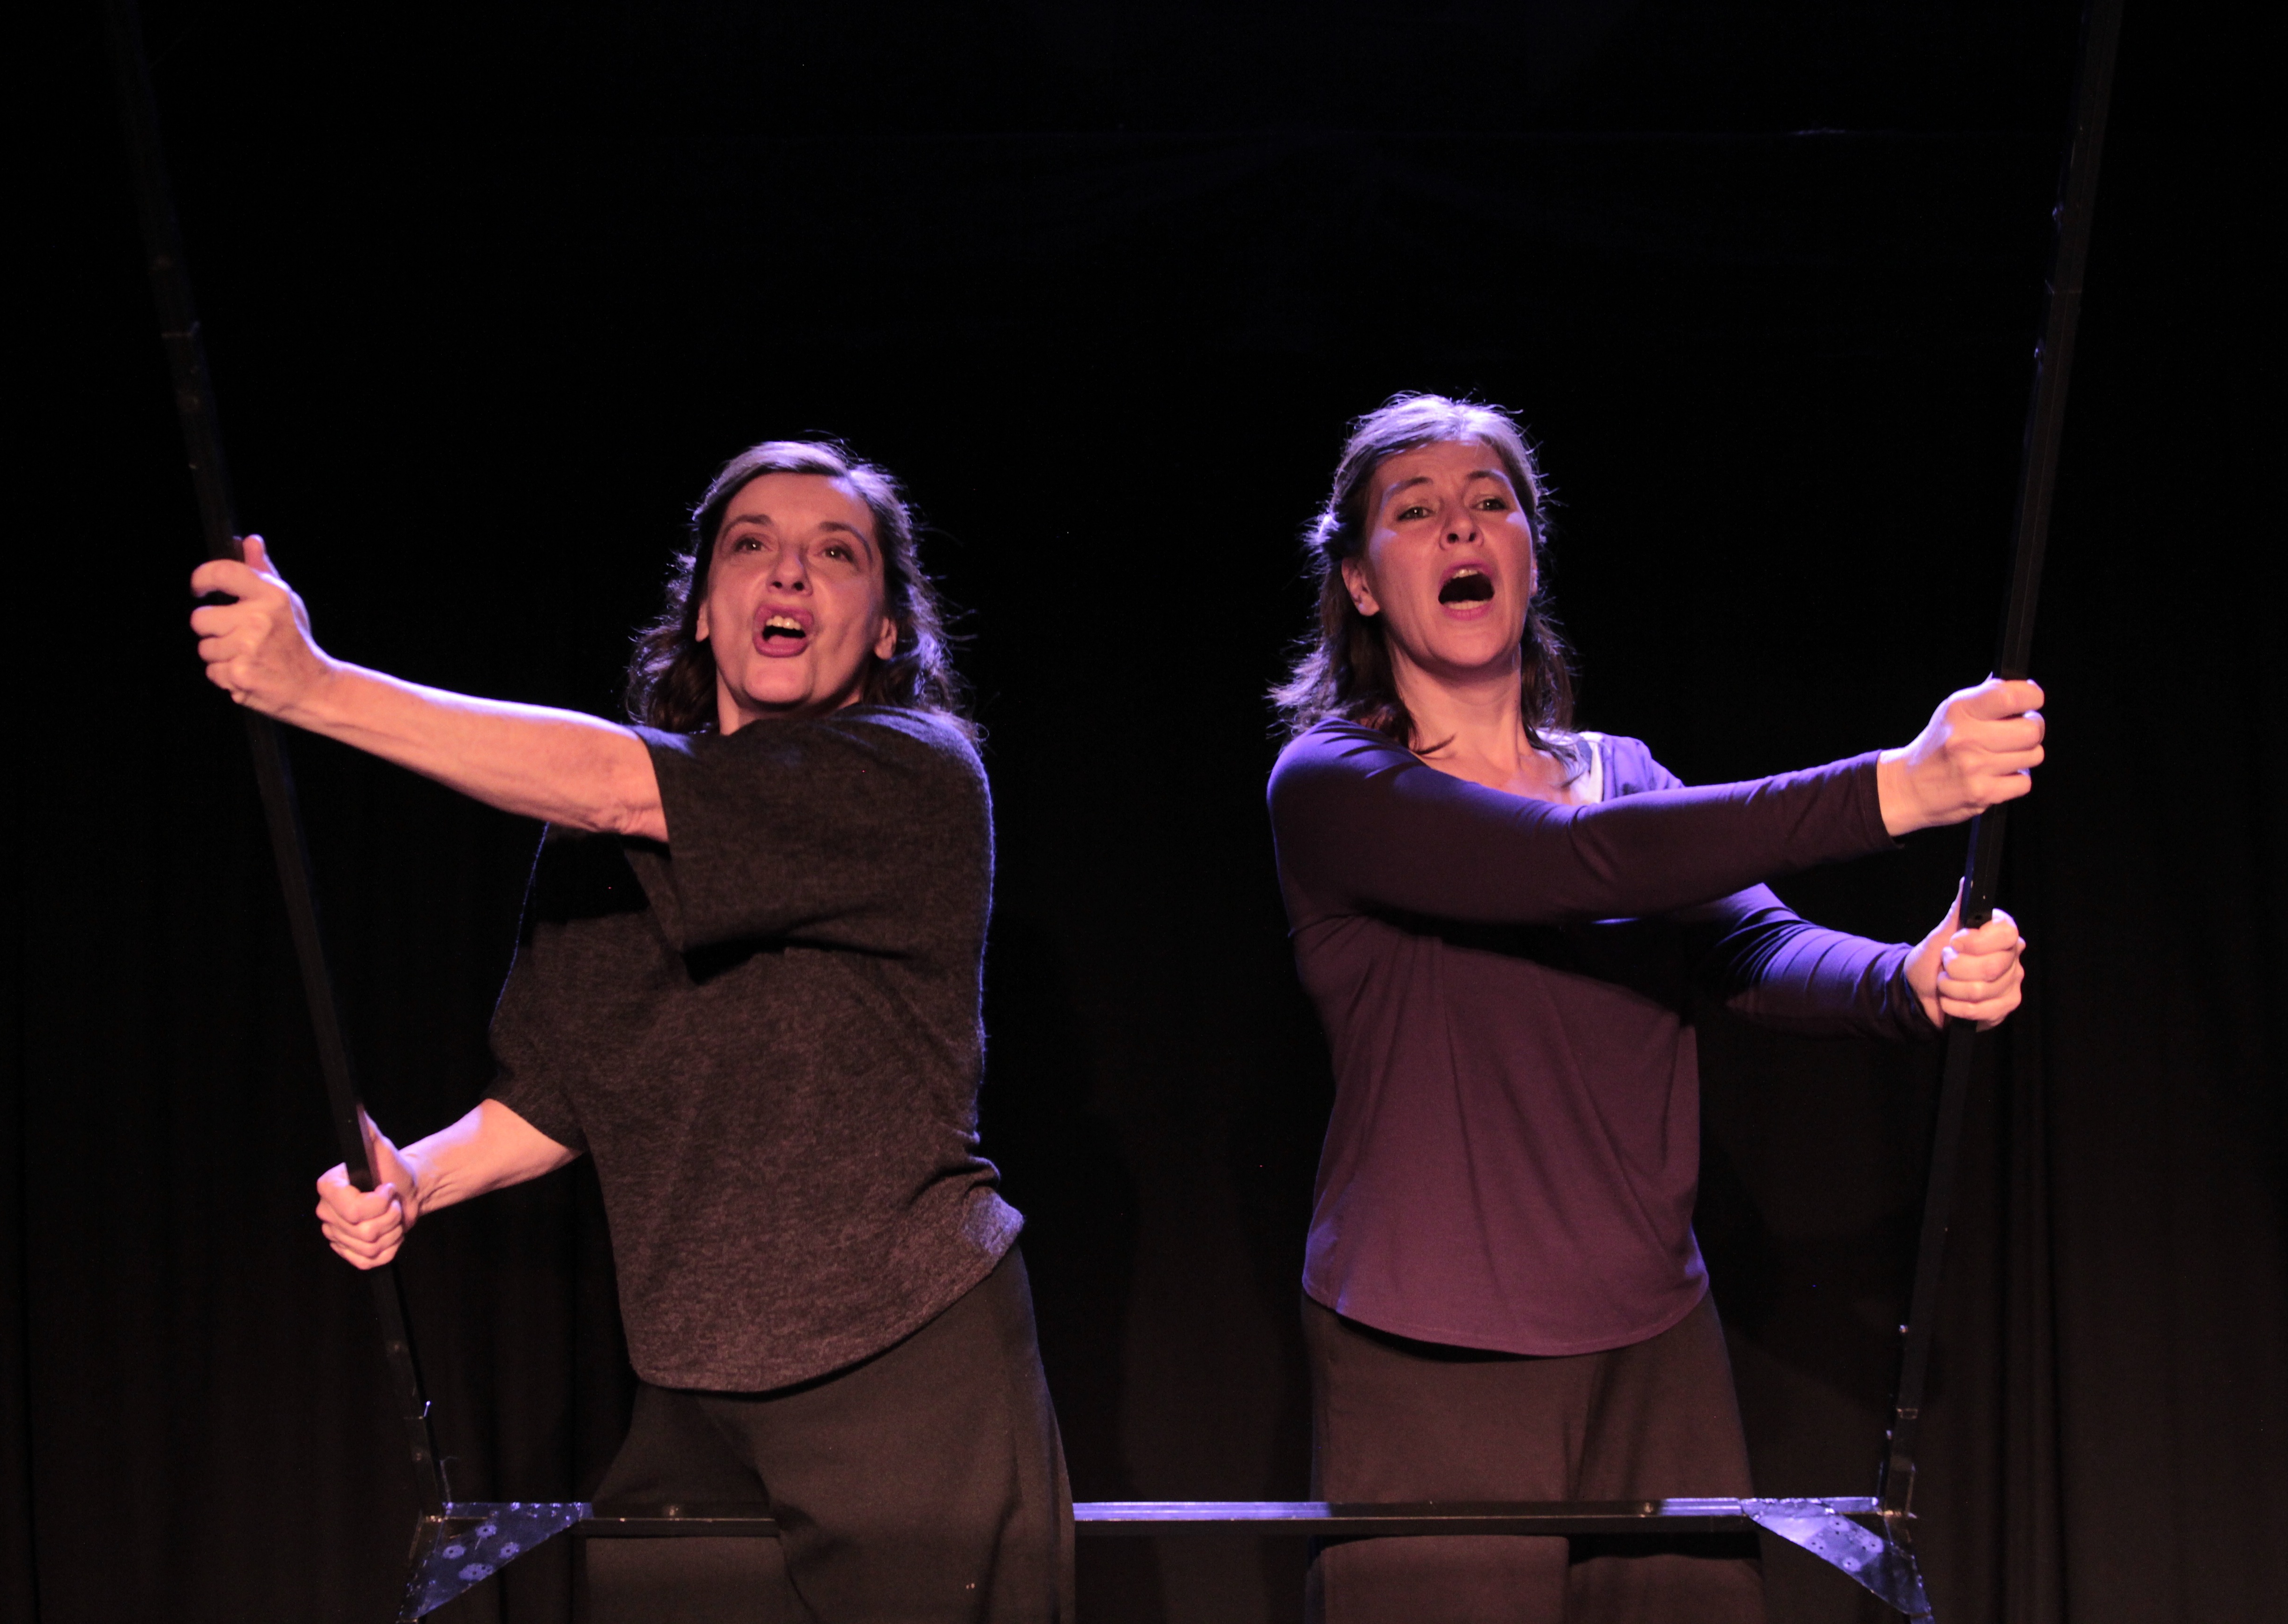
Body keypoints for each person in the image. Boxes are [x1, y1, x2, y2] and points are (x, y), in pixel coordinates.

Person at [190, 440, 1073, 1623]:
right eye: (751, 545)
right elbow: (557, 1096)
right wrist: (416, 1180)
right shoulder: (601, 839)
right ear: (703, 610)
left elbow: (622, 782)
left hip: (903, 1364)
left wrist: (316, 688)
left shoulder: (915, 775)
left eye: (836, 553)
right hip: (688, 1389)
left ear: (888, 631)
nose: (789, 574)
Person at [1265, 394, 2041, 1624]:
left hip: (1654, 1336)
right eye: (1415, 512)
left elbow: (1754, 943)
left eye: (1491, 503)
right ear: (1360, 583)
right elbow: (1575, 866)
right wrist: (1896, 790)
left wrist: (1908, 980)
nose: (1461, 526)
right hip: (1434, 1346)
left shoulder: (1618, 773)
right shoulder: (1333, 783)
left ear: (1530, 553)